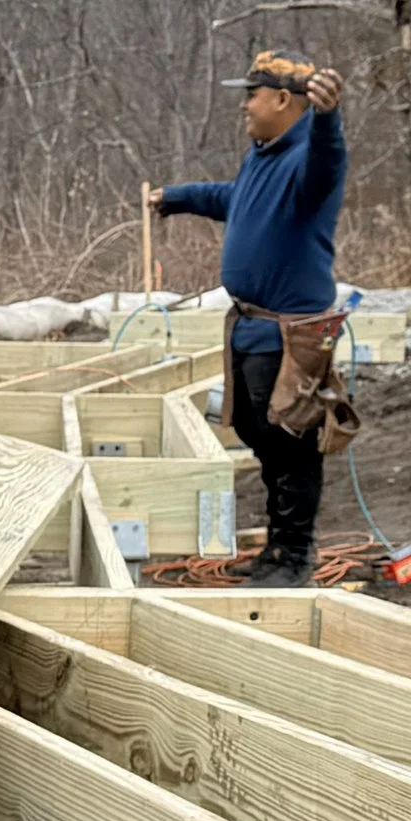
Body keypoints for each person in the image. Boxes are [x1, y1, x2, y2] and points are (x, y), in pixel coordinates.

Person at [147, 54, 350, 586]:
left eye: (253, 94)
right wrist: (179, 198)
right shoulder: (263, 157)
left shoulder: (311, 159)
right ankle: (277, 550)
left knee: (291, 440)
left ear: (283, 101)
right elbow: (236, 200)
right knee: (256, 431)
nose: (244, 104)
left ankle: (295, 556)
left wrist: (329, 118)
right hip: (251, 328)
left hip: (289, 333)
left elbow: (329, 161)